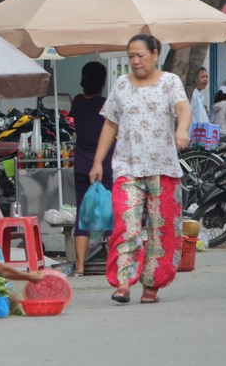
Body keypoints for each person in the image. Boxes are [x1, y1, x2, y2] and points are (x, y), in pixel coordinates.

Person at [90, 34, 192, 305]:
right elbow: (110, 124)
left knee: (162, 229)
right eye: (131, 56)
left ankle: (152, 285)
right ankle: (123, 283)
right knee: (126, 225)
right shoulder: (121, 85)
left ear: (155, 54)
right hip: (127, 167)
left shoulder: (170, 82)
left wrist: (182, 129)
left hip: (163, 167)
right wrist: (98, 161)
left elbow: (183, 107)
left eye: (140, 55)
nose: (135, 61)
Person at [69, 61, 114, 277]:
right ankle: (114, 262)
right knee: (111, 213)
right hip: (105, 166)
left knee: (82, 215)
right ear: (103, 81)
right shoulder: (106, 104)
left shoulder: (77, 102)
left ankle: (79, 266)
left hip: (81, 166)